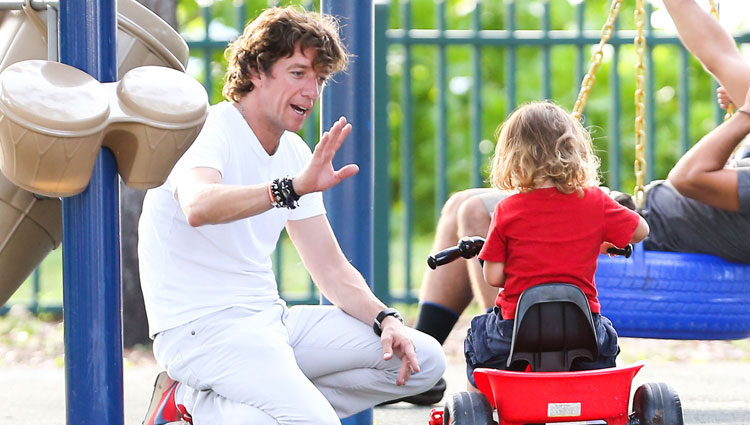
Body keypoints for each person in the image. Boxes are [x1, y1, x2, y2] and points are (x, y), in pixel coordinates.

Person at [407, 0, 750, 403]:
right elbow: (718, 50)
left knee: (474, 211)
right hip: (629, 211)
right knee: (458, 207)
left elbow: (687, 178)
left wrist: (744, 116)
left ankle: (510, 360)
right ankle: (419, 372)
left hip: (631, 229)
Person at [137, 6, 445, 425]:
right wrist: (290, 188)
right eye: (298, 73)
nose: (312, 90)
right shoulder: (209, 130)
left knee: (422, 358)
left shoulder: (294, 152)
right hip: (200, 331)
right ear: (255, 72)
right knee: (311, 420)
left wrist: (385, 318)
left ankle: (243, 408)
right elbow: (199, 205)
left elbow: (332, 270)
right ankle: (192, 400)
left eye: (319, 78)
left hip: (269, 319)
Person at [460, 101, 648, 386]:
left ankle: (488, 398)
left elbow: (494, 276)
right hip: (582, 330)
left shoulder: (507, 210)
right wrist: (599, 238)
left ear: (513, 157)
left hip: (515, 331)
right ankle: (590, 388)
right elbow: (640, 230)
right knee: (606, 332)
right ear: (575, 150)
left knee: (478, 335)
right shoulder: (595, 201)